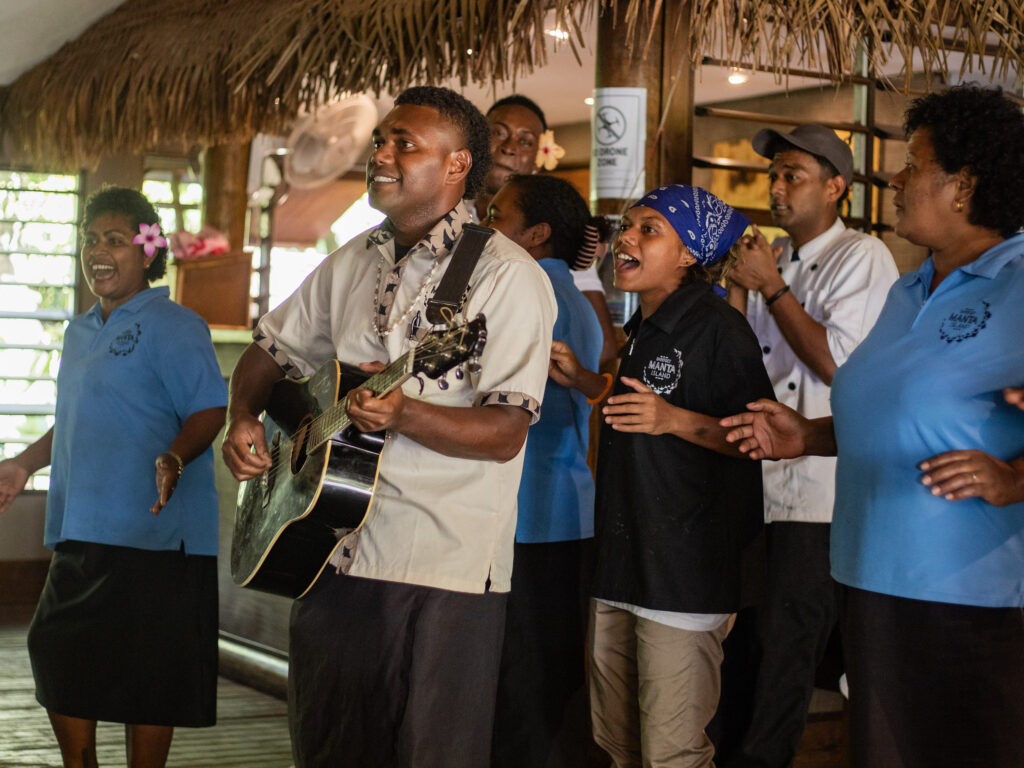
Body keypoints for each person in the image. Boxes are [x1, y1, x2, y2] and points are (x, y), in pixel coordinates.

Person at [220, 86, 556, 768]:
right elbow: (269, 351)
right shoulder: (353, 259)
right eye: (382, 140)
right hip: (329, 552)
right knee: (329, 746)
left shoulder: (506, 277)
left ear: (458, 165)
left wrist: (406, 412)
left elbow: (504, 432)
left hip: (438, 565)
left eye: (406, 143)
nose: (382, 153)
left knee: (426, 752)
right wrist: (242, 417)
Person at [721, 85, 1024, 768]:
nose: (895, 176)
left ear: (964, 186)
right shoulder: (909, 287)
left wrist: (1013, 477)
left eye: (914, 164)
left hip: (971, 592)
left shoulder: (1018, 281)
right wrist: (808, 436)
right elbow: (882, 413)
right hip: (873, 575)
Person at [0, 186, 227, 768]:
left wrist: (174, 456)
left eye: (115, 240)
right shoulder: (78, 334)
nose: (97, 251)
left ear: (148, 251)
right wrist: (23, 464)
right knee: (56, 652)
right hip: (82, 527)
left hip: (156, 536)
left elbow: (209, 409)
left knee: (147, 680)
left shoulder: (175, 324)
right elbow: (74, 422)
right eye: (90, 240)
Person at [717, 124, 898, 767]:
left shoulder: (863, 256)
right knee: (743, 646)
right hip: (757, 483)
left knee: (786, 654)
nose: (777, 185)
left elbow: (837, 368)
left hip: (817, 495)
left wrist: (770, 286)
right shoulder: (778, 259)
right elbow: (742, 366)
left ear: (836, 187)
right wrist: (740, 285)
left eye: (792, 173)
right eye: (774, 174)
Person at [582, 184, 774, 768]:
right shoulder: (641, 327)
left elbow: (760, 438)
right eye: (626, 227)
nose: (626, 241)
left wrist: (673, 419)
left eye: (649, 230)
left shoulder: (719, 328)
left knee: (672, 754)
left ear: (690, 254)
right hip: (621, 564)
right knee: (617, 745)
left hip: (684, 574)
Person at [482, 173, 609, 768]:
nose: (485, 223)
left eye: (498, 215)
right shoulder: (568, 296)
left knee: (526, 681)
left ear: (535, 234)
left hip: (534, 513)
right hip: (555, 511)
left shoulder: (535, 295)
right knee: (538, 677)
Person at [478, 94, 619, 364]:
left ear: (539, 157)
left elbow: (601, 349)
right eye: (498, 133)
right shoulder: (447, 217)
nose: (509, 148)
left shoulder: (557, 245)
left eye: (525, 141)